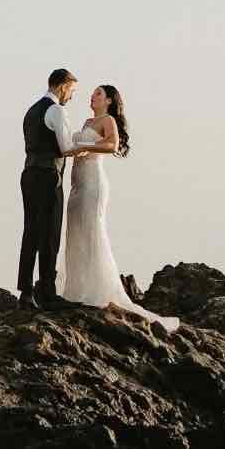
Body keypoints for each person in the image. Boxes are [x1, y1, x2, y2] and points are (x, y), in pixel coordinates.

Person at [57, 84, 180, 332]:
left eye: (98, 93)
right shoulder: (87, 121)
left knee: (92, 232)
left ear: (110, 100)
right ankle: (76, 289)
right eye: (92, 93)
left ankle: (97, 290)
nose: (93, 96)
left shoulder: (107, 120)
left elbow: (112, 146)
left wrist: (84, 149)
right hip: (77, 185)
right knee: (76, 233)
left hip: (93, 183)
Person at [18, 67, 82, 308]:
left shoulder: (31, 111)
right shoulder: (57, 110)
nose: (72, 96)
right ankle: (47, 290)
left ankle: (25, 291)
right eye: (72, 90)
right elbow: (65, 148)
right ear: (63, 86)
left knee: (30, 232)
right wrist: (88, 146)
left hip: (28, 174)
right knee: (50, 233)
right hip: (48, 176)